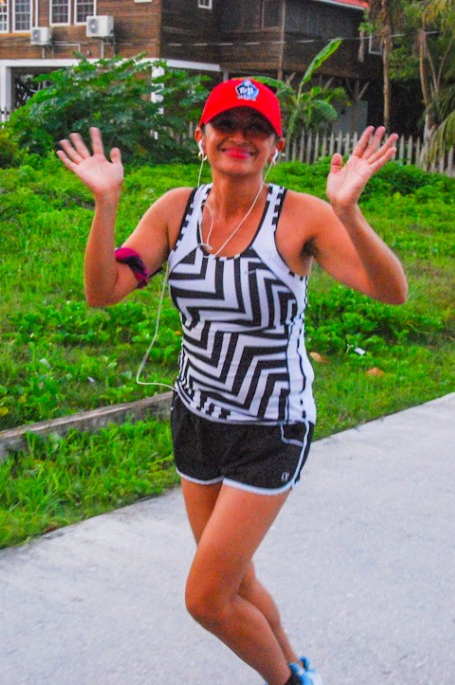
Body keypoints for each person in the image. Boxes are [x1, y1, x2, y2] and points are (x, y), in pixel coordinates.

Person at [57, 78, 407, 685]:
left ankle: (288, 683)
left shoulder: (302, 217)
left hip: (270, 426)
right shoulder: (175, 210)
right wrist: (105, 204)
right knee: (237, 581)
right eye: (226, 125)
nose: (240, 138)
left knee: (206, 598)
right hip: (197, 418)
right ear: (201, 136)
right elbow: (103, 291)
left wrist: (348, 211)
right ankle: (298, 667)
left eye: (257, 129)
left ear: (276, 146)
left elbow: (391, 290)